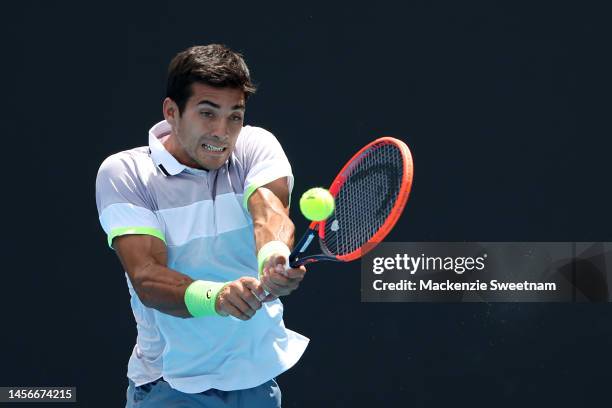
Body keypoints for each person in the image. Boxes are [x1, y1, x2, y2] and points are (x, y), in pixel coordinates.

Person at [95, 44, 309, 407]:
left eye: (234, 116)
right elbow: (146, 277)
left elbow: (270, 212)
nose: (222, 133)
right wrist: (219, 297)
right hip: (170, 387)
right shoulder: (126, 173)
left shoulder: (256, 146)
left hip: (257, 383)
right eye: (207, 114)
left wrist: (273, 257)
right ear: (172, 112)